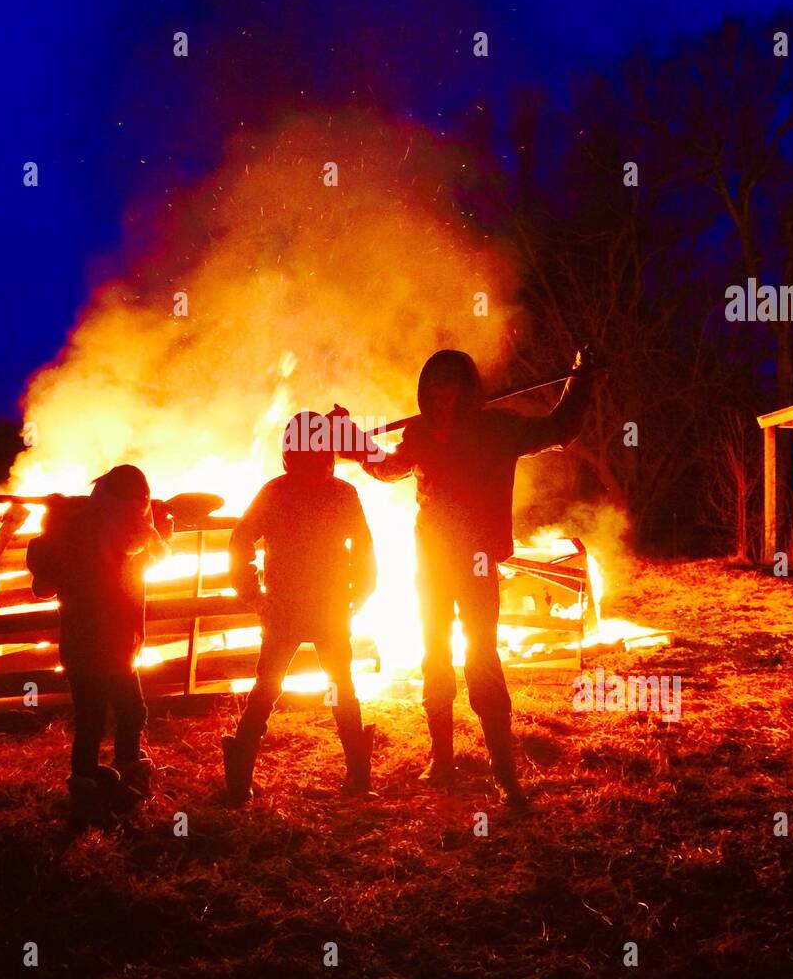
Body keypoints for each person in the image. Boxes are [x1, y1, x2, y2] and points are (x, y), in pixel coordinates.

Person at [336, 346, 595, 808]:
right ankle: (442, 759)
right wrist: (353, 441)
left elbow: (561, 428)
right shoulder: (418, 434)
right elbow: (389, 467)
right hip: (431, 559)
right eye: (433, 390)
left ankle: (503, 771)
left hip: (476, 559)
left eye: (449, 387)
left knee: (481, 657)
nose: (440, 398)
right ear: (424, 394)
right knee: (434, 654)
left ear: (466, 390)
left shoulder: (498, 429)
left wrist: (581, 379)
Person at [223, 411, 377, 804]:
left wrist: (358, 592)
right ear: (291, 459)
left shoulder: (339, 494)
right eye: (307, 460)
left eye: (321, 459)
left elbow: (363, 548)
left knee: (339, 687)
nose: (315, 468)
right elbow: (242, 539)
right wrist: (252, 592)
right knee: (272, 688)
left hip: (324, 607)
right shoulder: (279, 493)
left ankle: (358, 779)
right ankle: (240, 779)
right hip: (289, 608)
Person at [26, 464, 167, 827]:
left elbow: (156, 553)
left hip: (118, 643)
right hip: (91, 641)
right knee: (94, 719)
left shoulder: (134, 532)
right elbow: (45, 583)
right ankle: (88, 794)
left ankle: (120, 779)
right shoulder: (79, 532)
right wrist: (53, 526)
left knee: (127, 711)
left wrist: (165, 527)